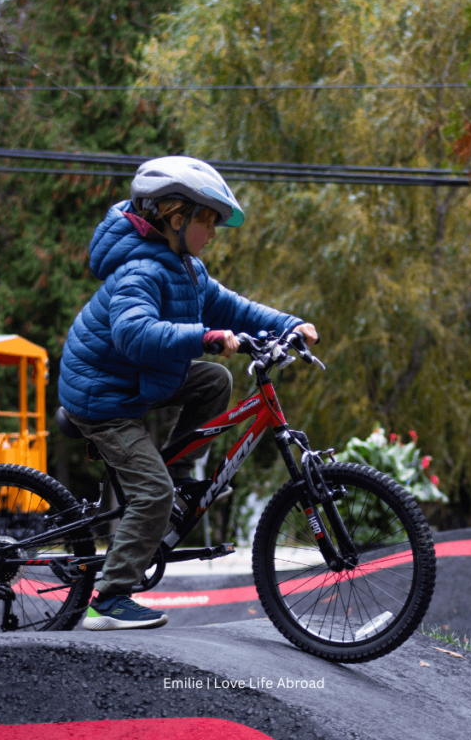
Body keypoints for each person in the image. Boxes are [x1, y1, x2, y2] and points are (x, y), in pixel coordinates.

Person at [58, 156, 318, 630]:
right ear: (175, 219)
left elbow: (234, 307)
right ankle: (109, 598)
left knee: (215, 380)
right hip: (102, 395)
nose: (213, 232)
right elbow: (133, 334)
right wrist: (205, 338)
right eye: (207, 221)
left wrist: (289, 324)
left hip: (136, 378)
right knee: (151, 493)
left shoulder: (187, 268)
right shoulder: (139, 270)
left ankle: (177, 474)